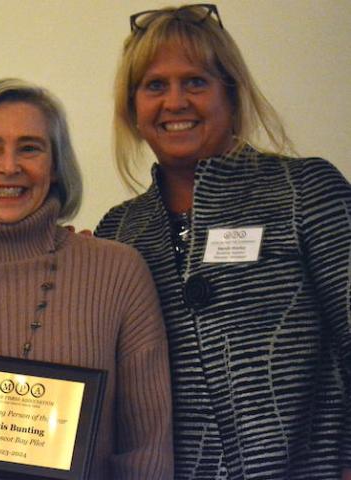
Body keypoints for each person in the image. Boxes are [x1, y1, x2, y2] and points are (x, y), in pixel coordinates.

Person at [95, 4, 351, 480]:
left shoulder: (306, 191)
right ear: (133, 108)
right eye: (154, 85)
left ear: (230, 94)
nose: (175, 102)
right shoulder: (118, 232)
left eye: (195, 81)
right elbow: (98, 390)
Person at [0, 78, 173, 479]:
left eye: (30, 148)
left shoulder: (117, 272)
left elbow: (147, 447)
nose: (9, 167)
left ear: (55, 166)